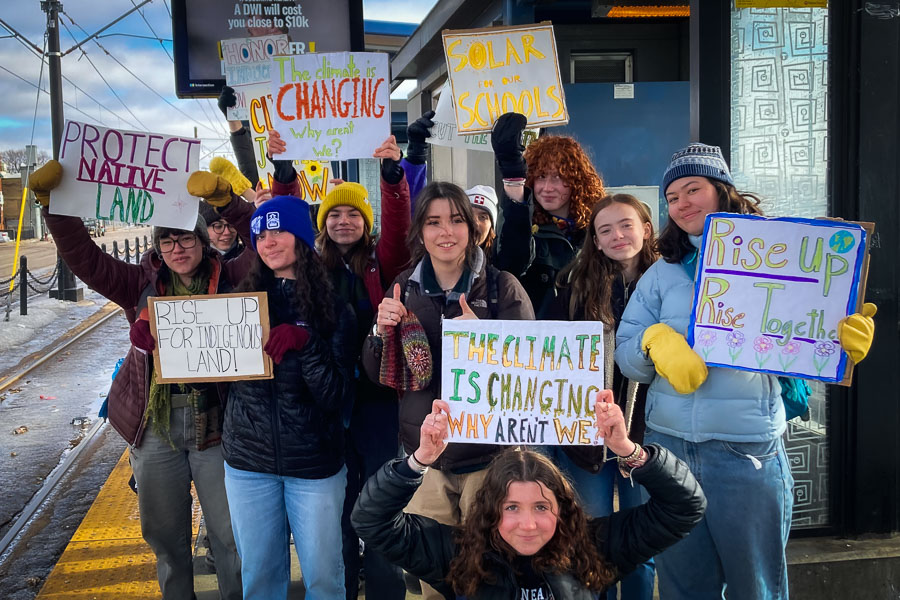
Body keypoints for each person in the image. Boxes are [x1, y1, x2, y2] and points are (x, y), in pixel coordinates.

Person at [615, 143, 878, 599]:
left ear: (723, 190)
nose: (681, 204)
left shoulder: (781, 256)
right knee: (682, 586)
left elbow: (808, 337)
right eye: (672, 197)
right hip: (670, 449)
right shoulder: (661, 273)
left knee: (755, 586)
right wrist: (653, 341)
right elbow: (626, 355)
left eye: (692, 189)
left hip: (747, 452)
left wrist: (840, 341)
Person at [29, 161, 250, 600]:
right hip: (156, 427)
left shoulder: (234, 277)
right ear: (158, 247)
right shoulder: (138, 284)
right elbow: (86, 259)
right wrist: (55, 208)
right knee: (166, 539)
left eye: (186, 236)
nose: (176, 247)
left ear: (203, 241)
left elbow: (268, 244)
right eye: (167, 239)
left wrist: (230, 203)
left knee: (230, 536)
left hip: (219, 424)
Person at [351, 392, 706, 599]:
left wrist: (628, 450)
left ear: (563, 508)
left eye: (541, 506)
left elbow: (686, 506)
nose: (528, 524)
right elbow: (370, 520)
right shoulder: (458, 554)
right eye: (511, 508)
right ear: (491, 511)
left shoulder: (593, 547)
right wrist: (420, 460)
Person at [361, 181, 534, 600]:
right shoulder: (404, 286)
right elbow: (375, 373)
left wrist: (492, 344)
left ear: (473, 227)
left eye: (456, 220)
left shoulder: (501, 286)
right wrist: (379, 332)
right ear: (420, 231)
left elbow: (535, 370)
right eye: (434, 222)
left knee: (491, 577)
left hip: (489, 461)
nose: (446, 232)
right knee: (434, 584)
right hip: (426, 462)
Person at [265, 133, 412, 599]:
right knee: (339, 510)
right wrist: (284, 172)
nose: (344, 221)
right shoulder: (310, 265)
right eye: (334, 214)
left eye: (353, 213)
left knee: (383, 501)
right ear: (321, 224)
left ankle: (385, 588)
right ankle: (346, 587)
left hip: (376, 403)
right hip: (326, 401)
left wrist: (392, 177)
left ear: (364, 223)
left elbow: (396, 227)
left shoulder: (382, 263)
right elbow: (283, 226)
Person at [217, 194, 356, 600]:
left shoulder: (334, 309)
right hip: (247, 464)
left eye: (280, 231)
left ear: (302, 239)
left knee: (325, 579)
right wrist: (159, 346)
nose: (269, 241)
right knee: (258, 579)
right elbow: (206, 367)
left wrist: (308, 343)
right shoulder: (238, 305)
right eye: (261, 234)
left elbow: (337, 397)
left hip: (315, 467)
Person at [541, 194, 657, 600]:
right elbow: (545, 352)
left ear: (646, 228)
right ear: (595, 239)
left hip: (646, 433)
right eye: (604, 229)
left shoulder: (670, 284)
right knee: (591, 539)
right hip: (587, 437)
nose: (617, 235)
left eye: (626, 224)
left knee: (641, 543)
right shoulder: (575, 288)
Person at [491, 112, 606, 310]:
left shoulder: (598, 229)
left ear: (577, 181)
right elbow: (511, 261)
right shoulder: (526, 229)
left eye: (558, 178)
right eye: (541, 177)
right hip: (540, 336)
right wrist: (512, 174)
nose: (547, 187)